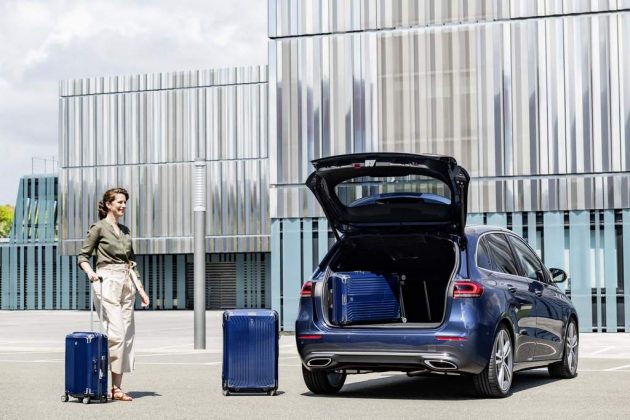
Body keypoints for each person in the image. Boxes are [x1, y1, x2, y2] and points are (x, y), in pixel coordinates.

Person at [78, 187, 150, 402]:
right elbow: (82, 256)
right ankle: (102, 380)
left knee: (126, 336)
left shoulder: (126, 230)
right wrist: (91, 273)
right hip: (107, 280)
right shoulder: (98, 228)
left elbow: (131, 262)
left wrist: (141, 290)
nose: (123, 205)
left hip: (127, 281)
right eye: (119, 202)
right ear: (108, 204)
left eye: (125, 202)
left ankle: (116, 389)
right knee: (116, 334)